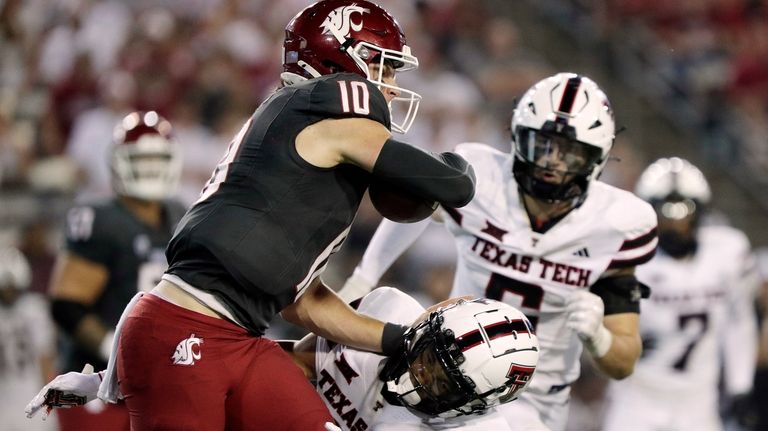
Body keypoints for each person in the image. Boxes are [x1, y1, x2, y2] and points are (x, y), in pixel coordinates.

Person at [90, 1, 475, 430]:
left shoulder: (301, 134)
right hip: (183, 327)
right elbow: (451, 184)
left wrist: (400, 340)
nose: (388, 86)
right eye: (382, 68)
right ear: (343, 57)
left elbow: (302, 301)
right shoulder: (328, 102)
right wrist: (460, 168)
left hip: (239, 338)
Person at [338, 72, 658, 431]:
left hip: (531, 398)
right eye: (544, 144)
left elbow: (624, 361)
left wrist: (598, 338)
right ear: (519, 138)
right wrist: (365, 275)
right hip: (444, 365)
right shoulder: (481, 175)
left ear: (595, 159)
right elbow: (419, 204)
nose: (552, 162)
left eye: (569, 153)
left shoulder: (616, 223)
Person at [27, 287, 539, 431]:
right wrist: (117, 382)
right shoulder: (388, 313)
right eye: (429, 354)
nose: (421, 372)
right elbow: (273, 366)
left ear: (474, 405)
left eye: (443, 381)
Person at [48, 110, 186, 431]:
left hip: (157, 381)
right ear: (119, 162)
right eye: (141, 160)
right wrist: (115, 352)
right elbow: (66, 306)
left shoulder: (181, 214)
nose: (150, 169)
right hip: (94, 382)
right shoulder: (99, 218)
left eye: (157, 160)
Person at [601, 157, 760, 431]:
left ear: (700, 211)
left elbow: (739, 323)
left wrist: (740, 386)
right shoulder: (629, 259)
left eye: (683, 210)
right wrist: (624, 337)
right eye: (665, 212)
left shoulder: (727, 251)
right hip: (638, 397)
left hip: (698, 401)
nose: (674, 223)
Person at [0, 247, 56, 431]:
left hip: (12, 398)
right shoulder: (36, 308)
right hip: (31, 397)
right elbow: (45, 359)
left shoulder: (34, 309)